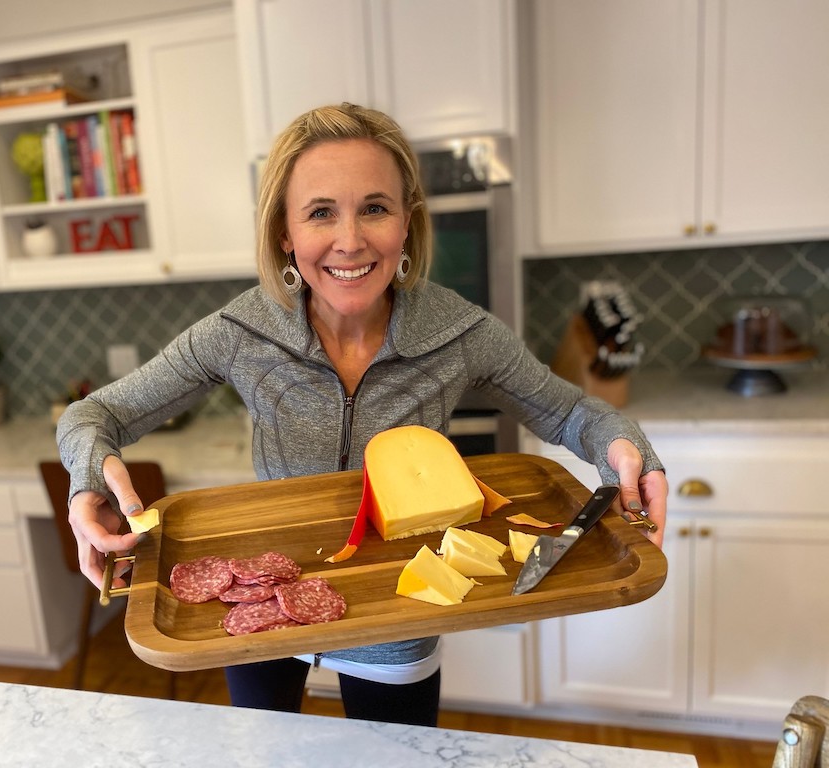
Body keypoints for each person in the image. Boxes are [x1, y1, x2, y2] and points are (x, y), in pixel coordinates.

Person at [57, 103, 668, 727]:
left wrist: (628, 449)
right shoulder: (239, 331)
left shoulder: (461, 332)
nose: (350, 240)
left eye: (375, 207)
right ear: (284, 233)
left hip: (398, 607)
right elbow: (93, 414)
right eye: (321, 212)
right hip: (265, 596)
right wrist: (86, 482)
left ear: (407, 223)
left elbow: (572, 412)